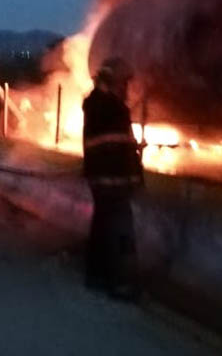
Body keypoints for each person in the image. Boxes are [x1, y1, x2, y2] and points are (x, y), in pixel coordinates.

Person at [82, 56, 143, 299]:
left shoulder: (95, 105)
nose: (126, 88)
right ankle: (120, 284)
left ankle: (96, 276)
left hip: (99, 178)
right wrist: (135, 175)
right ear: (111, 82)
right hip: (114, 181)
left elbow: (111, 143)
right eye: (124, 83)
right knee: (120, 231)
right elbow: (119, 147)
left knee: (101, 226)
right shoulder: (114, 109)